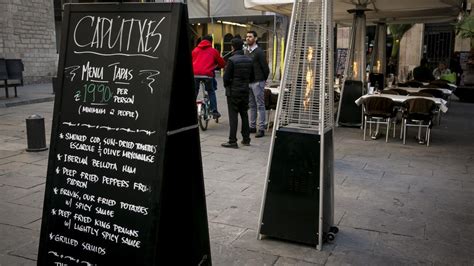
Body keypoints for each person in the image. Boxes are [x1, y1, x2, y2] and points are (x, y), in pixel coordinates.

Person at [221, 38, 254, 148]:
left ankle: (232, 140)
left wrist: (227, 85)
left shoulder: (231, 60)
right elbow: (252, 76)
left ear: (232, 47)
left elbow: (226, 78)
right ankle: (246, 139)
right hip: (244, 91)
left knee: (233, 116)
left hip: (233, 92)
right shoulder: (249, 60)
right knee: (244, 114)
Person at [192, 35, 226, 118]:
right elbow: (222, 63)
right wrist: (216, 66)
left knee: (194, 92)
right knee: (211, 91)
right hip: (207, 74)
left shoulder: (195, 50)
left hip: (195, 74)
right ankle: (214, 111)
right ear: (211, 41)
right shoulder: (213, 51)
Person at [245, 30, 270, 138]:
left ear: (255, 39)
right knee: (252, 105)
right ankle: (252, 126)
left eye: (250, 37)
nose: (248, 38)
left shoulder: (259, 52)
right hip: (249, 82)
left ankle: (261, 128)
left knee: (260, 105)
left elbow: (265, 68)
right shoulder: (246, 51)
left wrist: (262, 80)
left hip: (258, 82)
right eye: (246, 37)